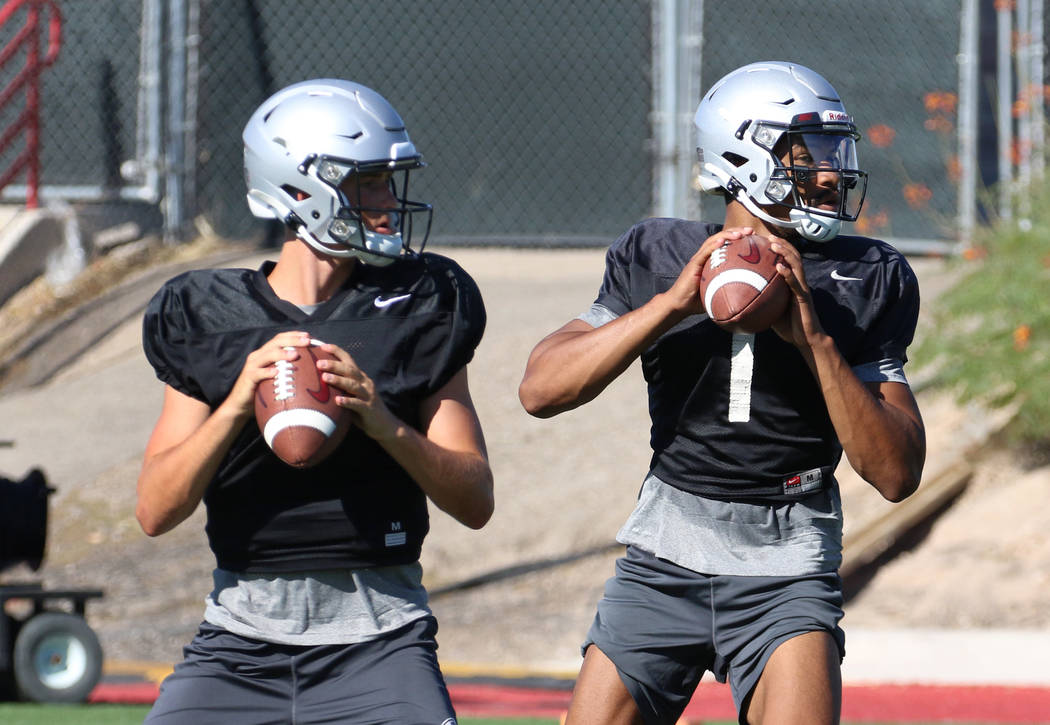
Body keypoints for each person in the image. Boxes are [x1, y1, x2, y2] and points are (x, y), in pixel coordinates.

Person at [519, 61, 926, 725]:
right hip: (664, 553)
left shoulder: (867, 275)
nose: (830, 172)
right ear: (743, 157)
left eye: (833, 151)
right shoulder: (657, 252)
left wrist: (815, 340)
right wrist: (673, 302)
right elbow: (540, 388)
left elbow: (896, 472)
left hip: (788, 561)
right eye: (806, 153)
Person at [137, 79, 492, 724]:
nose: (389, 203)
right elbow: (156, 511)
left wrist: (383, 423)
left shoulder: (424, 300)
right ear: (302, 190)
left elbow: (475, 500)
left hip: (382, 642)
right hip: (236, 647)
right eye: (369, 183)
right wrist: (239, 403)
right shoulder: (208, 316)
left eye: (389, 180)